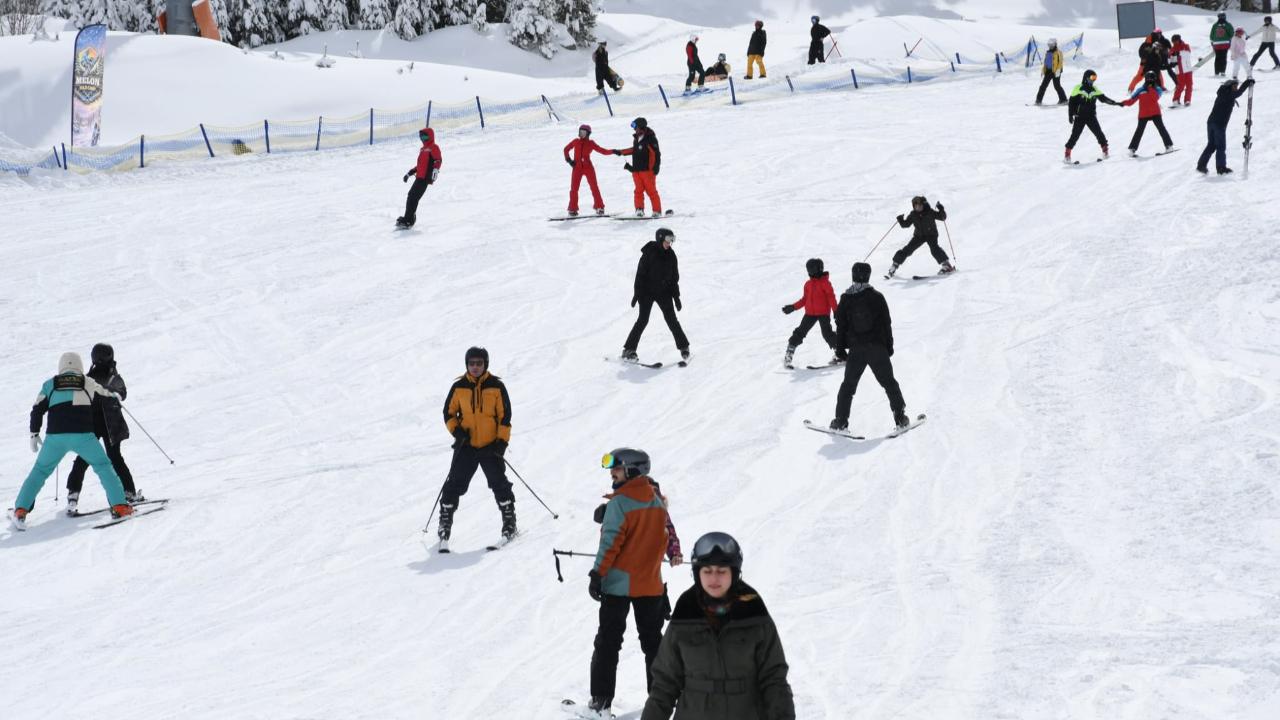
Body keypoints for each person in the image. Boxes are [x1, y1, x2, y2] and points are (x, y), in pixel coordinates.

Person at [641, 531, 795, 720]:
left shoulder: (754, 612)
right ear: (698, 573)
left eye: (722, 571)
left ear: (734, 573)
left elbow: (774, 679)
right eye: (707, 571)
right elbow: (665, 684)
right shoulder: (685, 613)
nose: (714, 579)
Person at [585, 448, 678, 720]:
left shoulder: (620, 503)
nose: (611, 473)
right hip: (650, 585)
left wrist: (597, 574)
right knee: (653, 643)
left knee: (608, 643)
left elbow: (611, 543)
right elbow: (661, 536)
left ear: (632, 470)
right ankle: (661, 703)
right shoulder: (658, 501)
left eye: (616, 468)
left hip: (618, 587)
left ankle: (601, 703)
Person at [9, 353, 132, 530]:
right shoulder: (87, 381)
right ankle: (120, 506)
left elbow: (37, 410)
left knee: (40, 471)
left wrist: (34, 434)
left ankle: (21, 510)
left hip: (55, 439)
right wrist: (117, 397)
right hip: (84, 436)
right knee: (103, 467)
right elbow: (105, 393)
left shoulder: (49, 384)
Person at [437, 347, 516, 546]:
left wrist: (501, 443)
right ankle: (445, 524)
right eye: (471, 363)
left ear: (485, 364)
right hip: (467, 446)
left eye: (479, 363)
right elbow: (448, 413)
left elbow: (505, 417)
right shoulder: (459, 387)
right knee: (453, 485)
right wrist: (457, 432)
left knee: (499, 484)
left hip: (491, 447)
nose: (475, 367)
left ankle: (509, 522)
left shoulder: (497, 386)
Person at [831, 263, 909, 432]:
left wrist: (840, 349)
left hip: (856, 350)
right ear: (868, 276)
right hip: (877, 347)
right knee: (889, 383)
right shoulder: (877, 297)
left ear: (853, 275)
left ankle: (840, 421)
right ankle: (900, 417)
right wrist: (889, 346)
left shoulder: (846, 298)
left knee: (848, 386)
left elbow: (841, 325)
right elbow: (886, 323)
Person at [65, 343, 140, 514]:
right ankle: (129, 492)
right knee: (115, 457)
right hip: (110, 424)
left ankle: (73, 494)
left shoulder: (88, 378)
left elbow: (76, 397)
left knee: (83, 458)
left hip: (91, 423)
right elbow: (123, 393)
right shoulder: (112, 377)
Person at [622, 228, 689, 363]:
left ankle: (684, 347)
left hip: (664, 292)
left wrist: (676, 297)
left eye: (672, 240)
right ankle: (628, 350)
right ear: (660, 238)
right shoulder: (649, 252)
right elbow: (640, 275)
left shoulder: (671, 255)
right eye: (668, 240)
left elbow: (674, 278)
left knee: (672, 320)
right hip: (646, 292)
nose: (670, 243)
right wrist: (637, 293)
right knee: (643, 320)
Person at [781, 258, 844, 368]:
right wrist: (793, 307)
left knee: (827, 334)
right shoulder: (808, 284)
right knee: (800, 332)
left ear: (819, 269)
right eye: (809, 269)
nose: (810, 272)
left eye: (812, 269)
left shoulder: (825, 283)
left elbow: (831, 298)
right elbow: (804, 300)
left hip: (823, 313)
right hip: (810, 314)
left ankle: (840, 354)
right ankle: (789, 354)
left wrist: (836, 311)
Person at [1196, 77, 1255, 175]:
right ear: (1229, 87)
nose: (1236, 88)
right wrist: (1247, 82)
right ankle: (1221, 168)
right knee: (1220, 146)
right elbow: (1238, 93)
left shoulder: (1223, 93)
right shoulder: (1228, 94)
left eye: (1236, 86)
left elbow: (1236, 93)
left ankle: (1201, 165)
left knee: (1211, 145)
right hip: (1219, 124)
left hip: (1211, 122)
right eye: (1234, 86)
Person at [885, 196, 953, 278]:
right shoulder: (913, 214)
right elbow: (906, 224)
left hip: (931, 234)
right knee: (907, 249)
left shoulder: (930, 212)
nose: (918, 207)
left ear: (923, 205)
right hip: (919, 236)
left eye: (920, 205)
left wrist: (941, 209)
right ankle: (894, 265)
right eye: (916, 206)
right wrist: (900, 220)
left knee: (934, 249)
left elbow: (942, 217)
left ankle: (946, 265)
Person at [1064, 69, 1121, 163]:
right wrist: (1070, 115)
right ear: (1086, 78)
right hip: (1080, 117)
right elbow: (1071, 103)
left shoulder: (1094, 90)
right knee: (1075, 136)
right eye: (1092, 77)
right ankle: (1067, 154)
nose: (1093, 80)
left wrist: (1114, 103)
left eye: (1095, 78)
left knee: (1099, 133)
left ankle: (1105, 151)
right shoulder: (1078, 88)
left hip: (1091, 116)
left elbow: (1103, 98)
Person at [612, 117, 662, 218]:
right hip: (636, 171)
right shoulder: (637, 138)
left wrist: (656, 167)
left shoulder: (650, 138)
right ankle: (639, 210)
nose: (634, 129)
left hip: (647, 171)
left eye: (635, 126)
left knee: (651, 191)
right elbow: (634, 150)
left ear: (640, 126)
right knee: (638, 191)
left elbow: (656, 154)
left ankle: (657, 211)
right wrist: (621, 152)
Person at [1122, 70, 1174, 157]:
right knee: (1139, 131)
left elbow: (1155, 98)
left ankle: (1169, 146)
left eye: (1152, 79)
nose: (1150, 80)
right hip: (1143, 114)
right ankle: (1132, 149)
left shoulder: (1158, 89)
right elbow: (1131, 101)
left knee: (1161, 129)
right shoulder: (1140, 90)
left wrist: (1150, 88)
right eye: (1148, 79)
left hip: (1155, 112)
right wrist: (1122, 103)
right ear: (1145, 79)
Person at [397, 127, 441, 229]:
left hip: (425, 178)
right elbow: (420, 165)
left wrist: (436, 170)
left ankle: (409, 220)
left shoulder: (434, 147)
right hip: (419, 177)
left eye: (425, 136)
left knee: (413, 197)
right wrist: (409, 173)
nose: (423, 138)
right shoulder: (423, 149)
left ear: (430, 136)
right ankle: (409, 218)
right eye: (421, 136)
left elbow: (438, 160)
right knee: (411, 196)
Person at [564, 124, 610, 217]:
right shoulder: (575, 141)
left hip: (588, 168)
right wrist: (569, 160)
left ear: (588, 134)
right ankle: (572, 209)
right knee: (574, 189)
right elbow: (566, 149)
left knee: (594, 187)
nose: (581, 134)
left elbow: (602, 151)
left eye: (583, 132)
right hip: (577, 168)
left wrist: (613, 151)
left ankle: (599, 207)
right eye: (580, 132)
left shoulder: (591, 143)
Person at [1035, 37, 1067, 105]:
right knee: (1043, 86)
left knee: (1057, 86)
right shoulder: (1048, 52)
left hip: (1056, 72)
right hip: (1048, 72)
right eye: (1049, 45)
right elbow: (1046, 63)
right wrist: (1043, 70)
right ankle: (1038, 100)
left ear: (1055, 44)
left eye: (1052, 45)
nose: (1050, 46)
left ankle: (1063, 99)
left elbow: (1060, 62)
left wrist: (1058, 70)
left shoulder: (1058, 52)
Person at [1170, 34, 1195, 106]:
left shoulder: (1186, 46)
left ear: (1179, 40)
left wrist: (1178, 54)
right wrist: (1174, 58)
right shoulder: (1172, 49)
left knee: (1189, 85)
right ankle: (1175, 100)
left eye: (1175, 41)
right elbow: (1171, 60)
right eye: (1173, 42)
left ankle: (1187, 100)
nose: (1174, 43)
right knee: (1181, 85)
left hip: (1187, 69)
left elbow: (1187, 54)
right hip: (1179, 70)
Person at [1211, 12, 1234, 77]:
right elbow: (1232, 34)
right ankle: (1222, 71)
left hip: (1216, 44)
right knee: (1223, 58)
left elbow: (1211, 36)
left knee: (1217, 58)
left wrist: (1213, 43)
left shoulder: (1215, 25)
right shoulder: (1228, 25)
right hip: (1225, 44)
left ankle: (1216, 72)